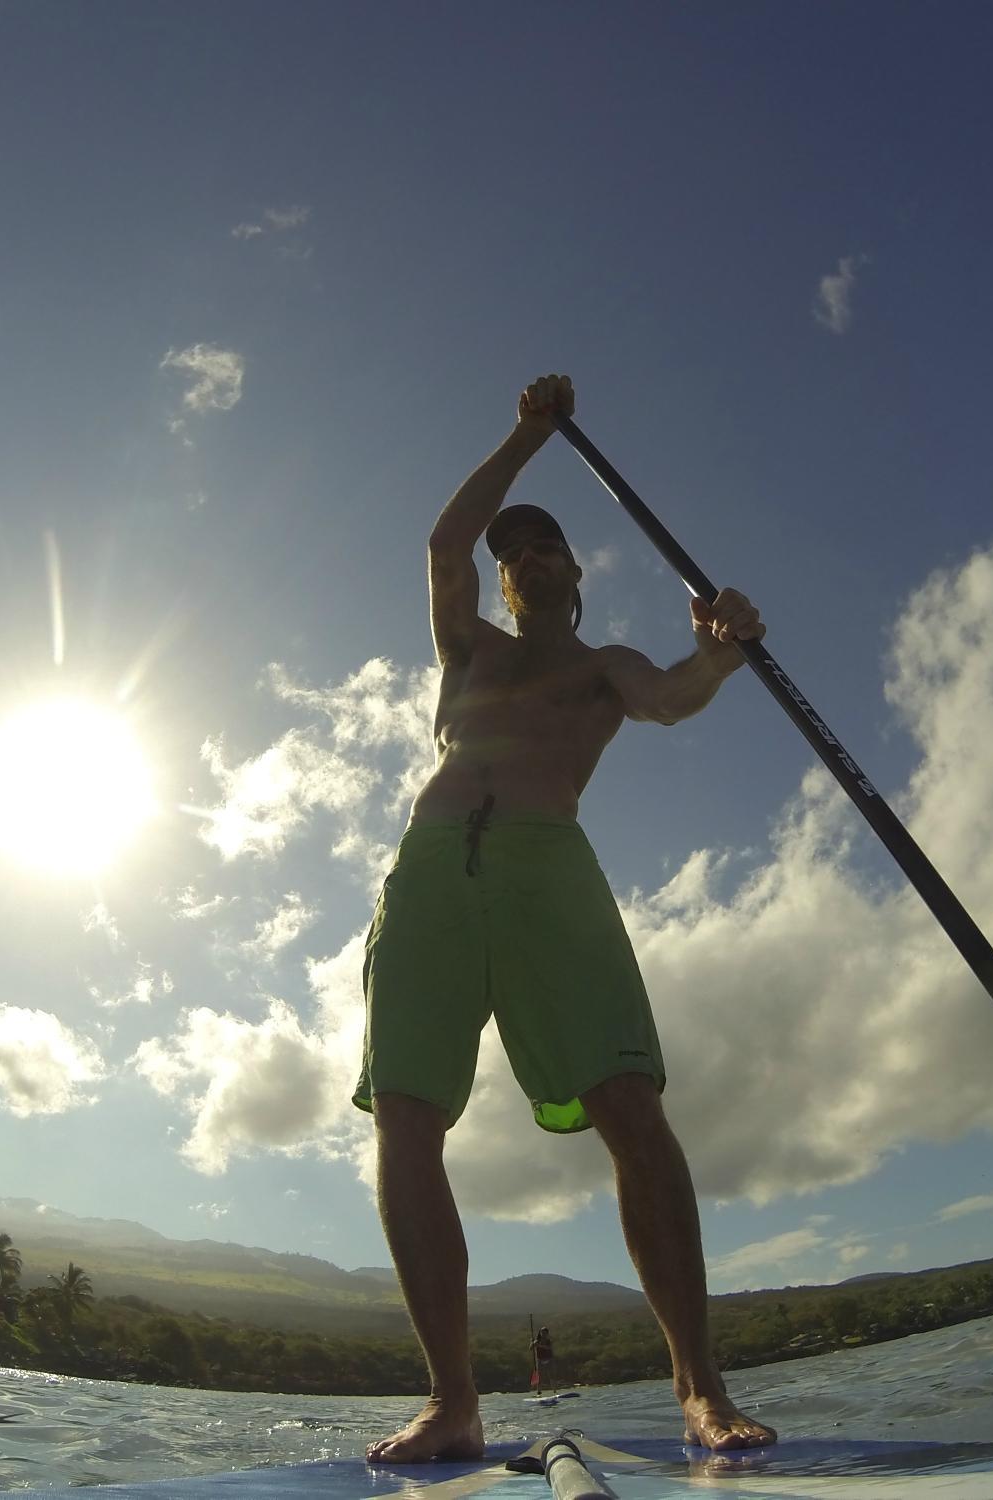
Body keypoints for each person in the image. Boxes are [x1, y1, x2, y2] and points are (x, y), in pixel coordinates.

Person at [356, 373, 778, 1462]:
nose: (526, 560)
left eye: (546, 549)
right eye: (515, 555)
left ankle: (699, 1386)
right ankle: (452, 1398)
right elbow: (443, 544)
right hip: (434, 866)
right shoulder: (470, 651)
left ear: (576, 574)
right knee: (405, 1118)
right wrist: (525, 435)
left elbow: (678, 693)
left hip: (552, 871)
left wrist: (725, 646)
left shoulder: (605, 670)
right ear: (502, 583)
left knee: (629, 1107)